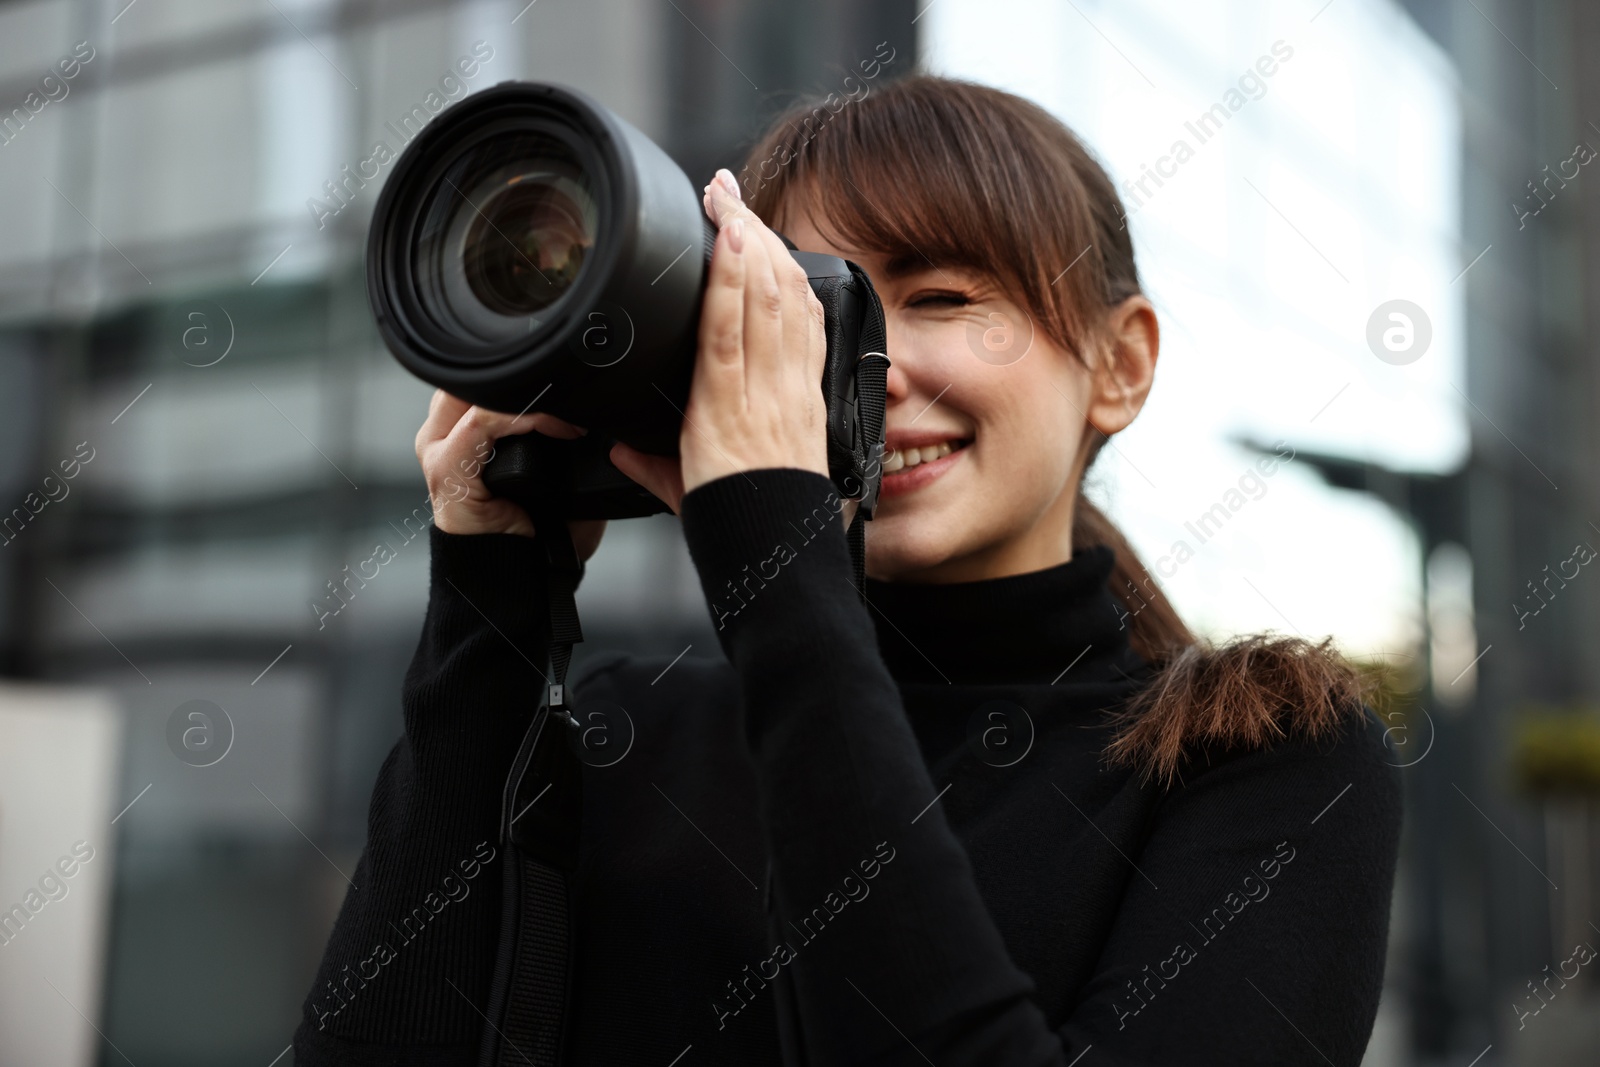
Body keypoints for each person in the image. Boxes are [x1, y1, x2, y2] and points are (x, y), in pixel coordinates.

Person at [293, 75, 1400, 1066]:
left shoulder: (1267, 765)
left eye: (942, 299)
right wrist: (490, 609)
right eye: (815, 307)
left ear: (1119, 365)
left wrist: (776, 560)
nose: (872, 366)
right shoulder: (629, 732)